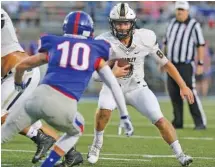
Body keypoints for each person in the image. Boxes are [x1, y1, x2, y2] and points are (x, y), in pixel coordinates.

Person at [1, 11, 134, 167]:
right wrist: (124, 115)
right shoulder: (95, 50)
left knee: (9, 120)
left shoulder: (56, 43)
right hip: (62, 102)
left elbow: (24, 65)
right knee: (74, 128)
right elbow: (106, 81)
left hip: (32, 89)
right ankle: (59, 157)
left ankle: (41, 138)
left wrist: (18, 82)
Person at [84, 3, 194, 166]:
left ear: (132, 23)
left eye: (125, 23)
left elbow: (166, 63)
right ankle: (96, 145)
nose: (122, 27)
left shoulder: (145, 38)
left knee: (160, 120)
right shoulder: (103, 42)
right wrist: (112, 74)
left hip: (136, 87)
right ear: (112, 23)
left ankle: (180, 155)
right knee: (104, 112)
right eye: (118, 23)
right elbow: (93, 75)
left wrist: (183, 86)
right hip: (113, 87)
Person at [1, 8, 58, 163]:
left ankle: (39, 138)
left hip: (20, 73)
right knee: (31, 122)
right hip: (12, 76)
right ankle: (70, 152)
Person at [163, 1, 207, 130]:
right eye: (178, 9)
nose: (179, 11)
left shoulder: (194, 25)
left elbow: (200, 45)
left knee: (190, 92)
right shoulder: (171, 23)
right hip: (171, 64)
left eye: (182, 9)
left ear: (187, 11)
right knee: (174, 93)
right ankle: (178, 121)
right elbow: (165, 43)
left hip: (185, 65)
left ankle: (199, 122)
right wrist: (163, 61)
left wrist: (200, 63)